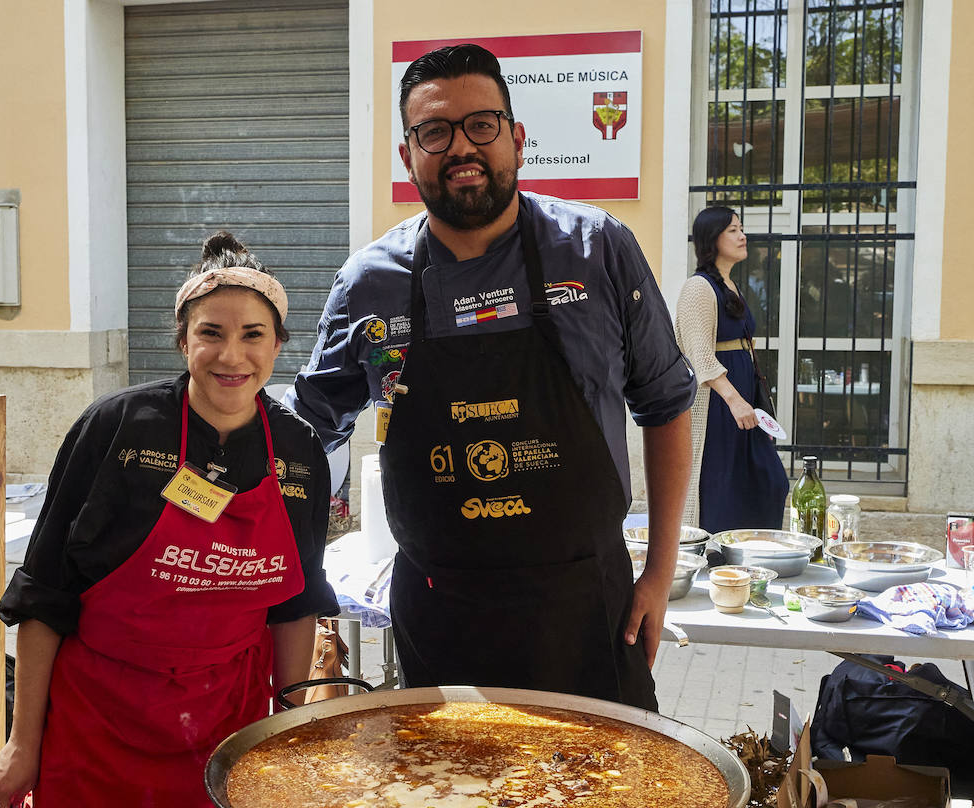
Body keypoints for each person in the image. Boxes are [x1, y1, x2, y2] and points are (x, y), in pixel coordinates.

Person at [0, 232, 339, 808]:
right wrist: (22, 743)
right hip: (98, 722)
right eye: (210, 333)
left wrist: (289, 723)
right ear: (181, 340)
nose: (231, 355)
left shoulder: (298, 449)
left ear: (278, 348)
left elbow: (297, 601)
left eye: (252, 335)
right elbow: (45, 596)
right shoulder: (118, 429)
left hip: (218, 728)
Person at [290, 44, 695, 712]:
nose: (461, 147)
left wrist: (659, 570)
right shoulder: (370, 283)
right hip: (440, 615)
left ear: (517, 139)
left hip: (588, 609)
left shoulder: (596, 248)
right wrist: (294, 579)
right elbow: (309, 437)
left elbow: (666, 401)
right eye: (435, 132)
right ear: (408, 156)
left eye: (482, 125)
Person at [675, 205, 787, 532]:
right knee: (720, 483)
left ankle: (751, 549)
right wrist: (734, 399)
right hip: (718, 403)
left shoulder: (730, 285)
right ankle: (715, 554)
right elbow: (699, 353)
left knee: (768, 479)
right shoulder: (698, 287)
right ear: (713, 239)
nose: (743, 236)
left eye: (741, 228)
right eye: (733, 230)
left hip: (742, 396)